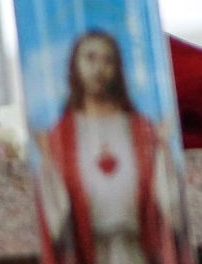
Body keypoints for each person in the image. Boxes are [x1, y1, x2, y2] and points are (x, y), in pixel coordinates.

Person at [36, 30, 187, 264]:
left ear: (118, 68)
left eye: (108, 60)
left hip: (137, 251)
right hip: (90, 252)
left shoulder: (142, 129)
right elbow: (56, 219)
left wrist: (163, 150)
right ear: (75, 65)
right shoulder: (60, 136)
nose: (99, 68)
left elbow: (168, 203)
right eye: (91, 58)